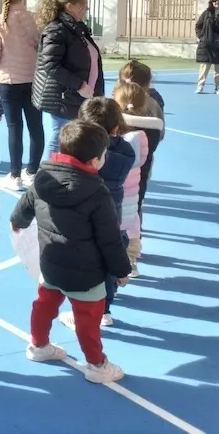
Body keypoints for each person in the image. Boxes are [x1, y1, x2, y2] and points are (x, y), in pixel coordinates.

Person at [11, 120, 130, 384]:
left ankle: (39, 346)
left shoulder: (43, 178)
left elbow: (23, 208)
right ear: (95, 160)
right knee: (88, 320)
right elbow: (110, 239)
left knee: (44, 304)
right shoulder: (98, 193)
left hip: (51, 263)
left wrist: (17, 223)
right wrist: (122, 271)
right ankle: (96, 365)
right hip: (86, 273)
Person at [75, 97, 135, 327]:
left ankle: (89, 303)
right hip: (113, 210)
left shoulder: (85, 150)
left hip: (87, 211)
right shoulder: (126, 151)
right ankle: (105, 308)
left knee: (89, 255)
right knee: (109, 253)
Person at [0, 0, 44, 190]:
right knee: (36, 126)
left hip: (9, 80)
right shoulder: (34, 19)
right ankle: (33, 171)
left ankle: (15, 174)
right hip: (33, 78)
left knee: (14, 127)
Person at [32, 0, 105, 158]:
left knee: (75, 138)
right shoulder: (56, 29)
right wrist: (79, 85)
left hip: (80, 95)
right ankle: (48, 177)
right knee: (60, 137)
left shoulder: (77, 28)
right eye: (83, 6)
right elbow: (51, 65)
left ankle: (66, 173)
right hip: (64, 96)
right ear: (70, 6)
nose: (86, 10)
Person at [113, 82, 163, 278]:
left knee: (111, 220)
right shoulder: (152, 129)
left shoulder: (114, 125)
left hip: (113, 183)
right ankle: (131, 260)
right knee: (134, 216)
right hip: (138, 183)